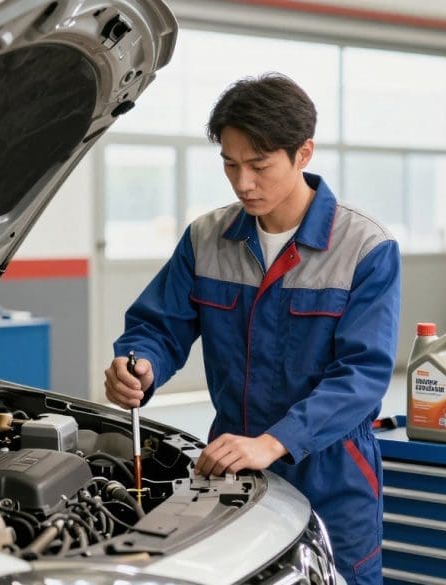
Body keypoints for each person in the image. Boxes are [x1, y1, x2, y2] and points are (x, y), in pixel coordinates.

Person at [103, 73, 400, 584]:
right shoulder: (207, 238)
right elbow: (160, 325)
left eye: (259, 166)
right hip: (234, 467)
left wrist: (274, 440)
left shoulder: (364, 248)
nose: (243, 183)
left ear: (303, 153)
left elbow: (363, 374)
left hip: (333, 474)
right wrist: (141, 363)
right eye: (230, 164)